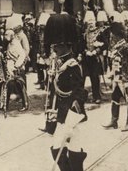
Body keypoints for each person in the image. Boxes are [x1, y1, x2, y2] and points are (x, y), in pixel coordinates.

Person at [44, 14, 88, 171]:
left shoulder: (72, 66)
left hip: (71, 114)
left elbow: (80, 92)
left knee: (71, 148)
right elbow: (54, 88)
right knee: (57, 148)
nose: (54, 48)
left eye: (58, 46)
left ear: (66, 46)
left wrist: (72, 116)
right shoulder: (59, 64)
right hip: (61, 112)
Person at [103, 12, 128, 132]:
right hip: (116, 78)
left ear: (117, 35)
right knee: (114, 98)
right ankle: (114, 121)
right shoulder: (115, 47)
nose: (111, 37)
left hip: (125, 79)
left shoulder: (126, 47)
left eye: (112, 35)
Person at [4, 29, 28, 111]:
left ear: (12, 35)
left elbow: (22, 55)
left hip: (17, 69)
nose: (5, 36)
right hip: (10, 68)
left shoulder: (16, 44)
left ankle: (25, 105)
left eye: (7, 34)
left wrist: (17, 65)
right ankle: (5, 105)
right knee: (8, 87)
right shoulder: (10, 44)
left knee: (21, 87)